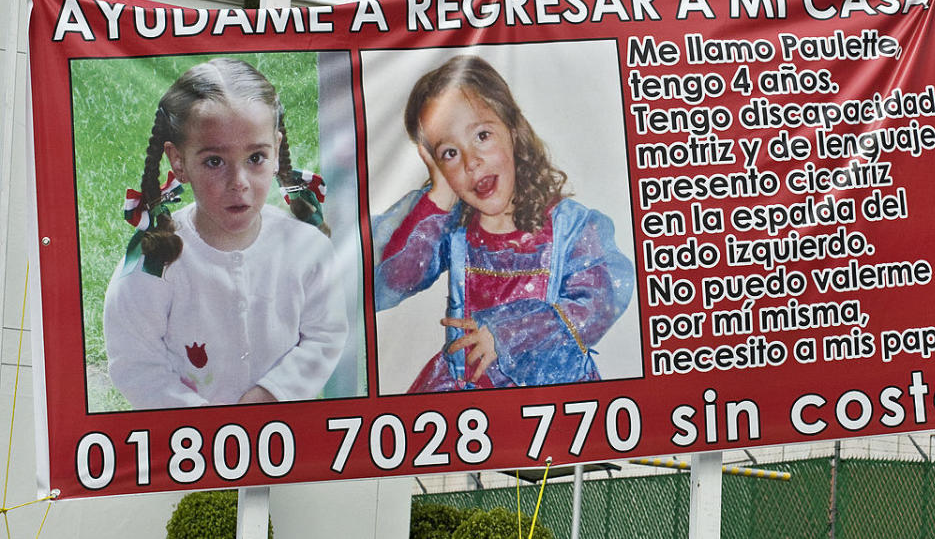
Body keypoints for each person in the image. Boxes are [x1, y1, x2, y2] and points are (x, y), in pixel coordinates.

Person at [374, 55, 635, 392]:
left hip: (551, 398)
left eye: (482, 135)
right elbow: (394, 279)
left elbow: (599, 301)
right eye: (449, 153)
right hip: (465, 395)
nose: (471, 162)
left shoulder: (571, 228)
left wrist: (507, 334)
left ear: (512, 129)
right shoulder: (452, 229)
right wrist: (439, 195)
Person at [103, 58, 347, 409]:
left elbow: (325, 335)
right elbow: (135, 363)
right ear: (179, 162)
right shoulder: (154, 261)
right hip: (187, 447)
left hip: (281, 440)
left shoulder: (305, 248)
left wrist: (269, 395)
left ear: (276, 152)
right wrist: (209, 426)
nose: (239, 183)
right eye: (215, 161)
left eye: (256, 158)